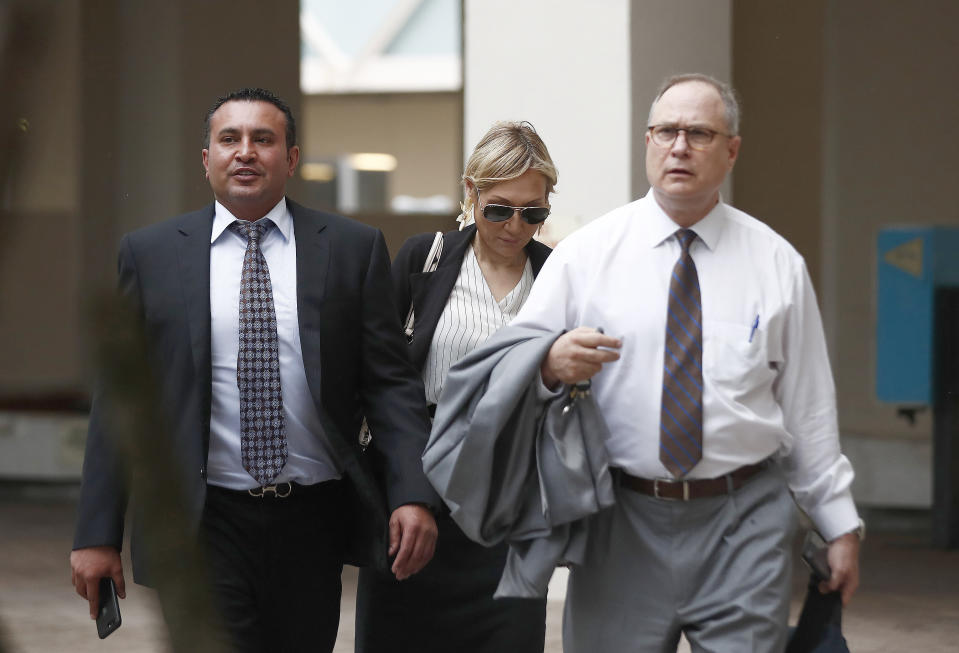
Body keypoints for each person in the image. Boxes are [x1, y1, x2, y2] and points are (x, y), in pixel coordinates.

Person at [69, 87, 439, 652]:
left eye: (263, 139)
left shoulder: (350, 248)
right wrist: (97, 533)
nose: (245, 152)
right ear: (207, 159)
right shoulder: (150, 255)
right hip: (203, 519)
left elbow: (390, 385)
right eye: (229, 139)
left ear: (290, 159)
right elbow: (121, 402)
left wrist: (411, 491)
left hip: (313, 519)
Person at [509, 74, 863, 652]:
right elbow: (512, 379)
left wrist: (839, 523)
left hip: (742, 522)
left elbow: (809, 411)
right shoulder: (586, 256)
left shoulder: (776, 264)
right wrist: (548, 364)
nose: (679, 147)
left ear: (732, 150)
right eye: (666, 131)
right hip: (619, 520)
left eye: (699, 133)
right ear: (647, 142)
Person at [355, 121, 556, 653]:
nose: (516, 226)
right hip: (420, 501)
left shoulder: (557, 277)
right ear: (472, 192)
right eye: (499, 208)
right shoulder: (426, 260)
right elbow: (383, 377)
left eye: (533, 212)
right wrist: (403, 489)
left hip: (507, 513)